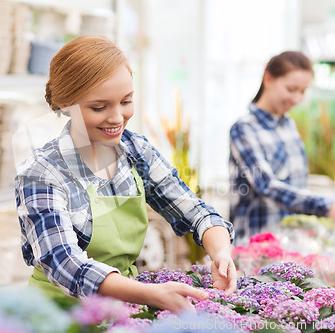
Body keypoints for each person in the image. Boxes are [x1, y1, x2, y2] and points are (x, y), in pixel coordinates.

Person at [15, 35, 237, 313]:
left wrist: (221, 254)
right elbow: (64, 263)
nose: (117, 117)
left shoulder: (136, 151)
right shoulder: (42, 173)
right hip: (57, 315)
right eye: (99, 107)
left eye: (126, 101)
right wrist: (148, 294)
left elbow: (195, 212)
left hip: (123, 309)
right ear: (64, 104)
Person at [229, 51, 335, 242]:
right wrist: (326, 206)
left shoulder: (288, 124)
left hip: (288, 242)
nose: (297, 99)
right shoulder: (244, 129)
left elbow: (296, 183)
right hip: (255, 245)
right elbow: (267, 186)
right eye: (291, 89)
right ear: (268, 78)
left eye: (302, 91)